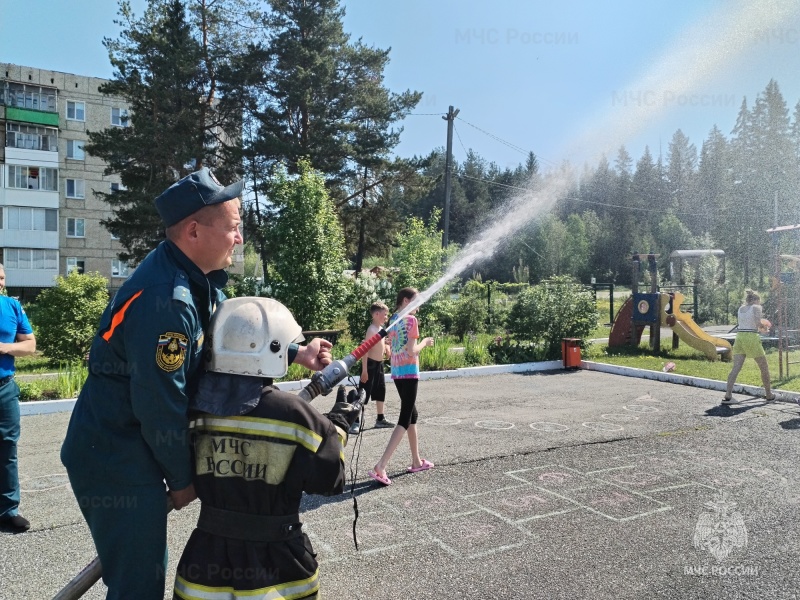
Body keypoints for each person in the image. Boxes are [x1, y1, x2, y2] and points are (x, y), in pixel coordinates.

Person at [60, 168, 332, 599]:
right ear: (193, 231)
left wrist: (296, 352)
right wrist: (184, 478)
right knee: (137, 584)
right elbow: (159, 403)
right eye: (234, 227)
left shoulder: (195, 280)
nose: (238, 238)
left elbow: (231, 340)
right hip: (115, 456)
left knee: (142, 571)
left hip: (134, 446)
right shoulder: (166, 300)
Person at [173, 297, 360, 600]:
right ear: (274, 349)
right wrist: (339, 421)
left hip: (204, 565)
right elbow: (329, 479)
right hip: (279, 567)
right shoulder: (296, 415)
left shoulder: (194, 412)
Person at [368, 288, 434, 486]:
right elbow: (412, 350)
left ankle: (416, 460)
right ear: (406, 301)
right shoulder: (411, 321)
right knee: (405, 418)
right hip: (410, 373)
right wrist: (425, 342)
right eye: (416, 303)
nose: (419, 308)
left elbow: (393, 344)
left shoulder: (394, 318)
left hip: (397, 374)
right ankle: (381, 465)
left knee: (412, 415)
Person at [0, 265, 36, 533]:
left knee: (7, 449)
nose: (0, 282)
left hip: (5, 388)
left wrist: (5, 347)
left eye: (1, 277)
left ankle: (9, 510)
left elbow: (30, 345)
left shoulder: (12, 307)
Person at [723, 289, 774, 405]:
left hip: (740, 336)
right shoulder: (756, 307)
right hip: (751, 336)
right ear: (756, 300)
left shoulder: (741, 308)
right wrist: (765, 328)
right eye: (759, 301)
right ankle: (769, 395)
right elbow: (757, 323)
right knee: (764, 366)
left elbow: (746, 322)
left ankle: (728, 395)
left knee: (736, 367)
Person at [350, 300, 391, 434]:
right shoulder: (371, 330)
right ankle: (355, 422)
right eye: (384, 315)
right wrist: (365, 370)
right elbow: (365, 350)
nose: (386, 317)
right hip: (370, 365)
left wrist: (387, 348)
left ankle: (380, 419)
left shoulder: (381, 330)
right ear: (376, 314)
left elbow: (383, 347)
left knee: (381, 391)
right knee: (363, 393)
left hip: (379, 365)